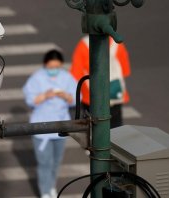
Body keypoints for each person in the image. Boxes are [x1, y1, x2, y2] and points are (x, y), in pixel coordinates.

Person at [22, 50, 77, 198]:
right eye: (51, 67)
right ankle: (45, 191)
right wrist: (45, 95)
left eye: (57, 67)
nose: (54, 70)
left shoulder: (66, 77)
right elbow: (30, 100)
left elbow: (77, 98)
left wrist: (65, 95)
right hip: (42, 129)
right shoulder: (37, 78)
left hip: (61, 127)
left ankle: (51, 186)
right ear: (45, 65)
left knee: (56, 162)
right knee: (45, 163)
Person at [70, 35, 131, 128]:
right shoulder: (117, 43)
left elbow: (76, 73)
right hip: (114, 93)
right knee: (116, 130)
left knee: (94, 130)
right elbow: (125, 70)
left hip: (91, 96)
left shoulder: (84, 44)